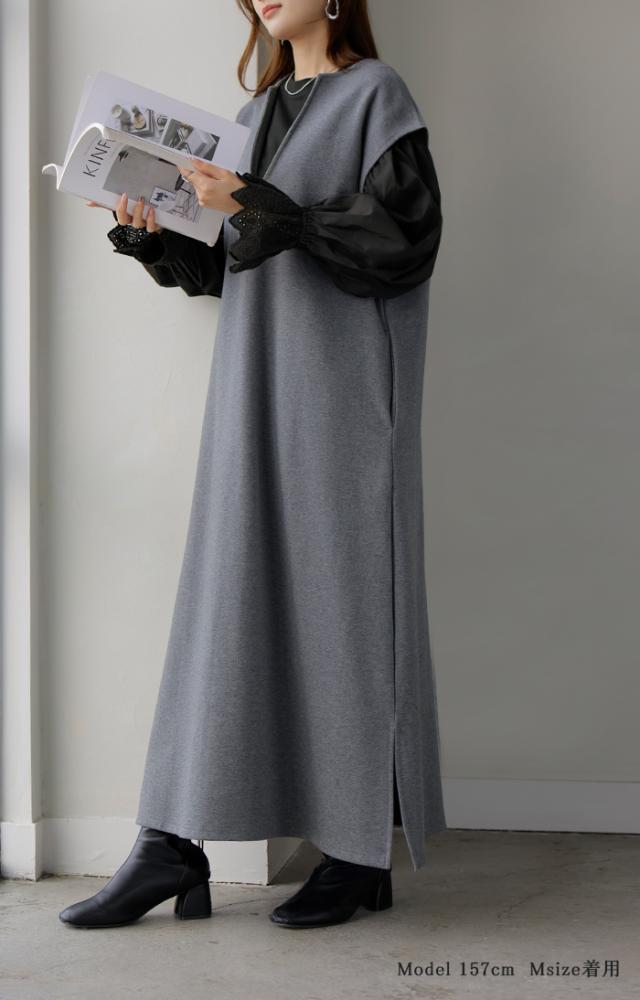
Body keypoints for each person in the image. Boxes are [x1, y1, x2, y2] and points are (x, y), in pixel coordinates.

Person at [59, 0, 446, 932]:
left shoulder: (376, 96)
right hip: (253, 388)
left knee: (347, 607)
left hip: (344, 392)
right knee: (228, 602)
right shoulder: (254, 115)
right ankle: (170, 841)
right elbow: (230, 265)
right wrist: (155, 229)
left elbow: (403, 244)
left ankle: (358, 852)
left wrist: (263, 208)